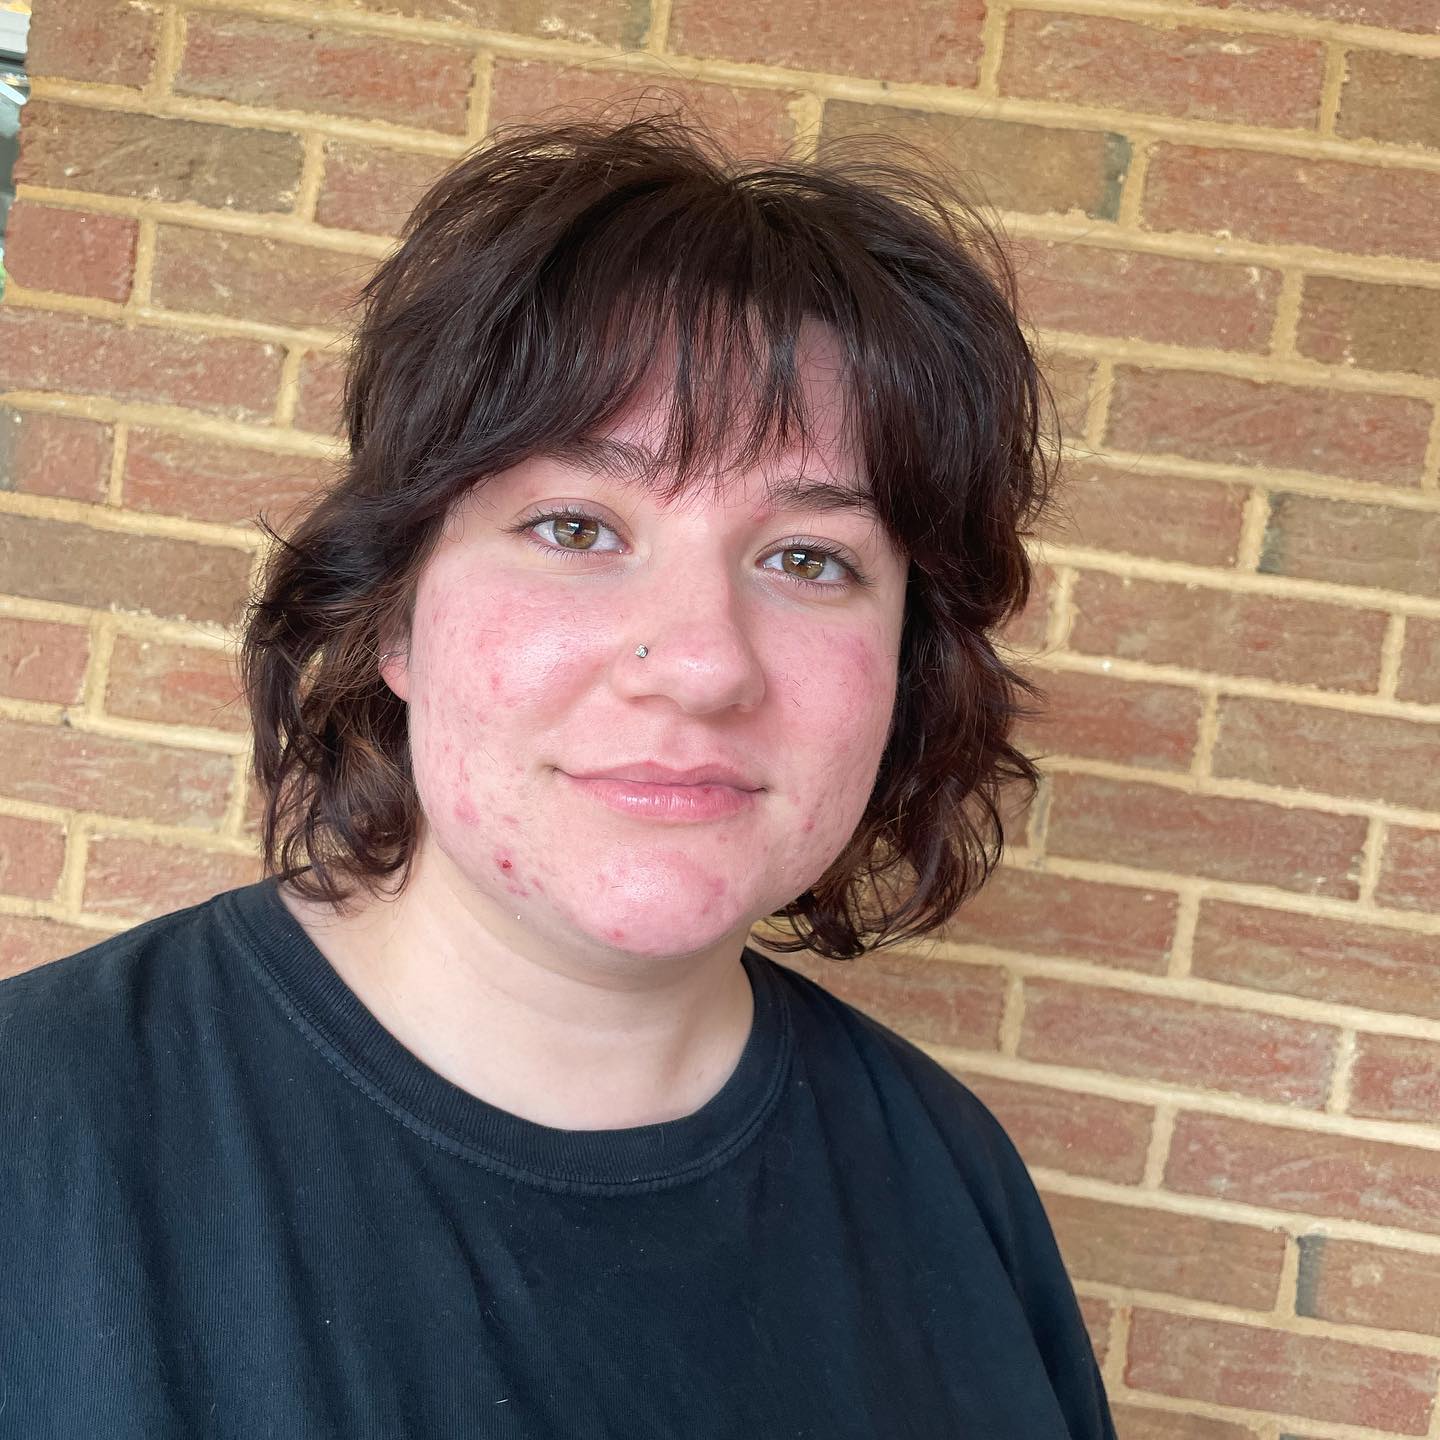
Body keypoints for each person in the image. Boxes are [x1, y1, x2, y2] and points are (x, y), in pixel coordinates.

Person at [0, 109, 1116, 1438]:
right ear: (396, 612)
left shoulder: (958, 1190)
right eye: (577, 527)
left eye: (809, 559)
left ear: (902, 668)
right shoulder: (38, 1131)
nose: (701, 664)